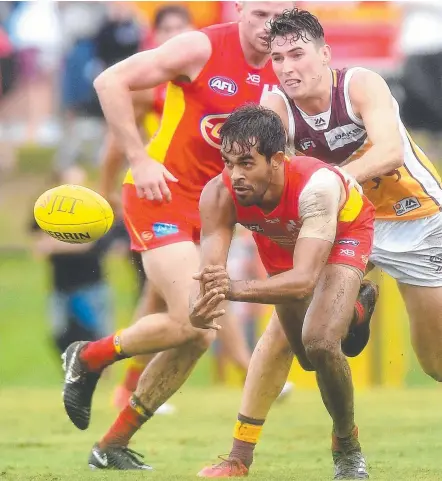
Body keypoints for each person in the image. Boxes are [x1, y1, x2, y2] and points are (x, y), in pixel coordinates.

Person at [199, 7, 442, 478]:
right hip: (346, 222)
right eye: (277, 58)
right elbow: (274, 174)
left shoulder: (359, 84)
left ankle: (356, 310)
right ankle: (238, 456)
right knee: (286, 332)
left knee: (434, 363)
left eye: (297, 54)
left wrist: (329, 184)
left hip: (418, 222)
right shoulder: (276, 109)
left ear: (325, 53)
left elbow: (389, 150)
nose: (287, 67)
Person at [61, 1, 294, 471]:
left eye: (280, 17)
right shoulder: (201, 46)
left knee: (199, 332)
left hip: (214, 214)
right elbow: (109, 81)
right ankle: (87, 357)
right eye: (260, 14)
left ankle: (110, 444)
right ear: (241, 8)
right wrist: (138, 157)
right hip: (160, 193)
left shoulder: (287, 71)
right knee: (193, 319)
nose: (269, 27)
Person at [190, 104, 374, 479]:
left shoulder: (316, 186)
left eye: (246, 163)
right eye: (228, 163)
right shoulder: (217, 194)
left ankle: (346, 446)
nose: (235, 175)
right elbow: (210, 277)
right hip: (282, 238)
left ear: (277, 160)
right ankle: (355, 311)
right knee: (308, 358)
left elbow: (303, 280)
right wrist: (200, 307)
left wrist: (233, 289)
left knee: (320, 341)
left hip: (344, 232)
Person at [98, 3, 194, 414]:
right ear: (155, 36)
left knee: (162, 300)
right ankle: (247, 367)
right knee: (189, 299)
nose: (174, 33)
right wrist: (106, 195)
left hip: (199, 198)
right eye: (166, 28)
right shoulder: (149, 86)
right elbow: (118, 142)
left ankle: (126, 384)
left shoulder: (204, 75)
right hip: (158, 197)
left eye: (180, 27)